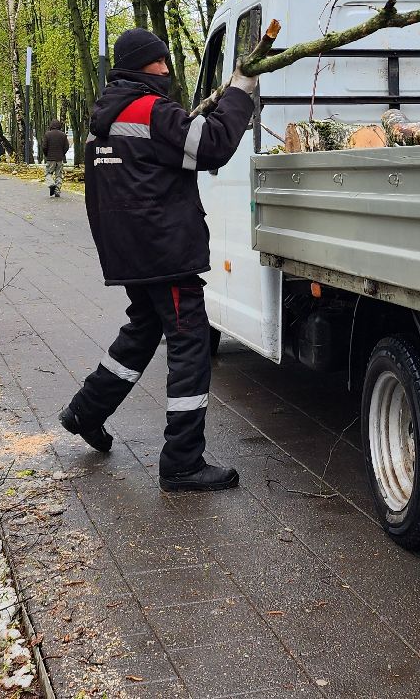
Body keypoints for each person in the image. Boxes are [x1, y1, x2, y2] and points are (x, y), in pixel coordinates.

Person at [59, 28, 258, 492]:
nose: (167, 69)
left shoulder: (107, 116)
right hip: (165, 253)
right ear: (141, 66)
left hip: (132, 252)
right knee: (190, 344)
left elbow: (170, 153)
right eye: (160, 62)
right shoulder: (150, 111)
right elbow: (212, 146)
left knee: (142, 332)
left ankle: (85, 411)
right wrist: (241, 90)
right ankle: (182, 462)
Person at [41, 119, 70, 197]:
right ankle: (57, 190)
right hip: (59, 159)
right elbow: (67, 146)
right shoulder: (63, 135)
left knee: (48, 173)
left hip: (50, 158)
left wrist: (46, 154)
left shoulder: (47, 134)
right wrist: (62, 154)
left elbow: (44, 147)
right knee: (59, 175)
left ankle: (51, 184)